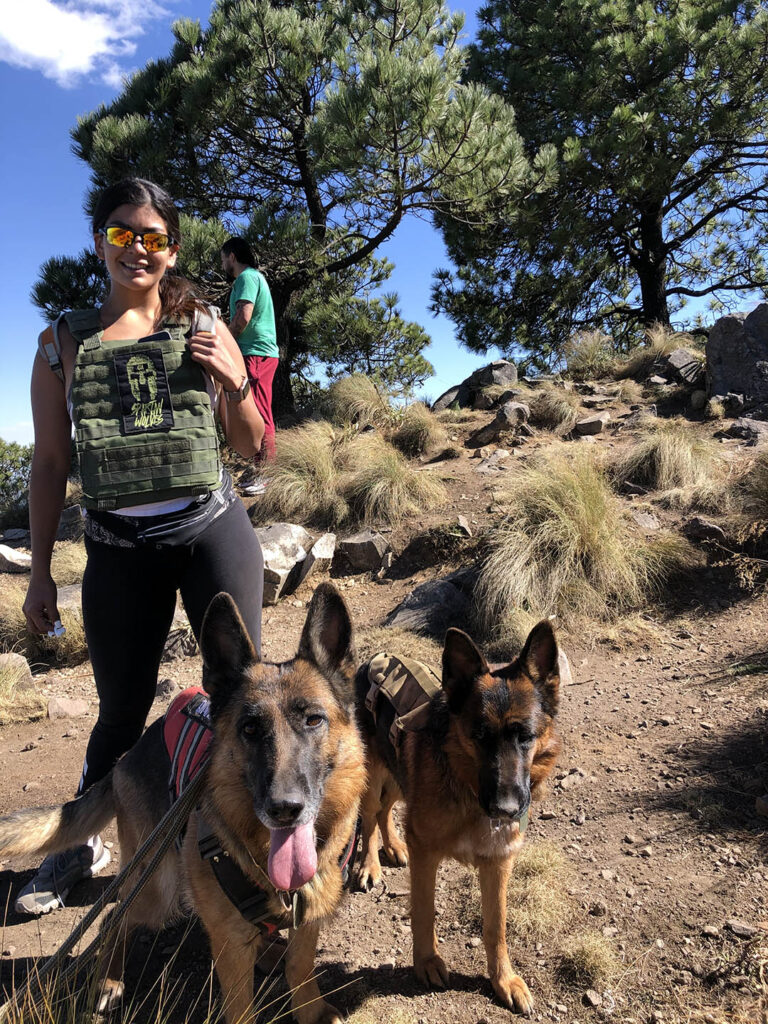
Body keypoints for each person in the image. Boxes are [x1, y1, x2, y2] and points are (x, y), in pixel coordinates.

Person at [17, 178, 266, 916]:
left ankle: (250, 838)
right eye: (123, 233)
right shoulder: (62, 344)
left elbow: (255, 448)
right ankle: (79, 843)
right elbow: (51, 466)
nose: (138, 248)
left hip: (211, 531)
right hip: (119, 550)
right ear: (100, 241)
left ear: (172, 250)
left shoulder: (205, 323)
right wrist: (38, 575)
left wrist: (236, 380)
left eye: (154, 237)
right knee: (120, 711)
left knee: (245, 692)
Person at [220, 238, 278, 494]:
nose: (222, 263)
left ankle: (267, 474)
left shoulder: (246, 278)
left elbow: (243, 317)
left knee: (260, 411)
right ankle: (258, 469)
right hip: (258, 353)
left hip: (256, 353)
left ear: (232, 256)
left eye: (223, 258)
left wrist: (225, 338)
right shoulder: (253, 278)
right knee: (255, 410)